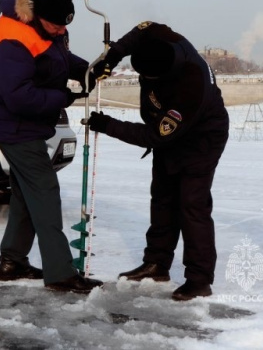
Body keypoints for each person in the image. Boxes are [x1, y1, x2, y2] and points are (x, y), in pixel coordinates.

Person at [87, 21, 229, 301]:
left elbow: (156, 136)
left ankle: (199, 279)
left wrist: (108, 125)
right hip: (170, 133)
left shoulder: (190, 85)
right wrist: (111, 58)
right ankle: (156, 264)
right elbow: (142, 28)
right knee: (162, 198)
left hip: (202, 140)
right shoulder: (162, 37)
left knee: (191, 205)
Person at [0, 0, 102, 294]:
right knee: (45, 191)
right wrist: (64, 96)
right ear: (37, 15)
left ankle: (12, 262)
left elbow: (57, 58)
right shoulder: (11, 36)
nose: (62, 31)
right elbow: (18, 96)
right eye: (56, 25)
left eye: (66, 25)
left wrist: (89, 69)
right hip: (13, 124)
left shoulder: (50, 26)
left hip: (29, 123)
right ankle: (61, 273)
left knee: (26, 193)